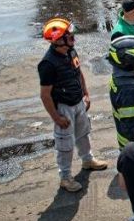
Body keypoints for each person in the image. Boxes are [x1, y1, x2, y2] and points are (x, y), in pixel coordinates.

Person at [38, 18, 107, 192]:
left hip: (78, 102)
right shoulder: (48, 64)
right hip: (63, 107)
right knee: (65, 144)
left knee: (83, 133)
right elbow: (45, 95)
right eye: (69, 36)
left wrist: (86, 94)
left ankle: (87, 160)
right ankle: (65, 177)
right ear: (58, 40)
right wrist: (57, 118)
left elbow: (79, 73)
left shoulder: (71, 51)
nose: (73, 39)